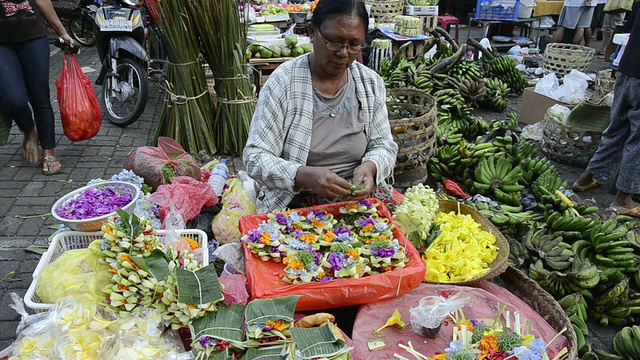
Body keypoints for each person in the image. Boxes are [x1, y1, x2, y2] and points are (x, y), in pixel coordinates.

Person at [243, 0, 398, 214]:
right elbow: (255, 157)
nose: (344, 53)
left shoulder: (370, 83)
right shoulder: (284, 82)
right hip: (295, 202)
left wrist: (371, 166)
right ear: (312, 32)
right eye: (334, 42)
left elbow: (384, 145)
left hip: (358, 201)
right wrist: (302, 175)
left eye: (354, 44)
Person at [572, 8, 640, 216]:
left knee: (617, 128)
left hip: (628, 67)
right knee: (637, 140)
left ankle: (585, 178)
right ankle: (623, 199)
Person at [0, 0, 74, 175]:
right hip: (2, 44)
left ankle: (48, 151)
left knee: (39, 96)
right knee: (14, 99)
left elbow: (42, 1)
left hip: (33, 38)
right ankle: (29, 131)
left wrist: (62, 32)